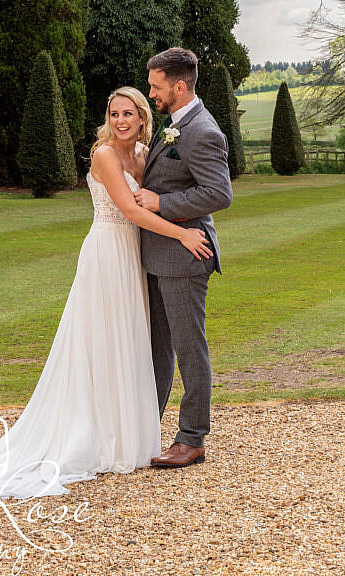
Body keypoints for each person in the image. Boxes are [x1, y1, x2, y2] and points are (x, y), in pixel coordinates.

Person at [0, 87, 212, 500]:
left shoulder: (146, 155)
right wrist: (183, 233)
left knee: (128, 342)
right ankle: (91, 435)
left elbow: (155, 198)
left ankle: (125, 433)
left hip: (134, 258)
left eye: (129, 113)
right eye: (114, 113)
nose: (121, 121)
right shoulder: (106, 156)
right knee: (98, 341)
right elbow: (131, 212)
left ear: (143, 118)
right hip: (107, 253)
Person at [135, 47, 232, 468]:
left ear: (179, 86)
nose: (151, 93)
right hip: (159, 255)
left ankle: (192, 438)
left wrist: (161, 203)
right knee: (158, 349)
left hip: (185, 256)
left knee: (189, 348)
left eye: (156, 86)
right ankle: (144, 426)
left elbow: (219, 194)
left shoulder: (203, 131)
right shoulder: (175, 125)